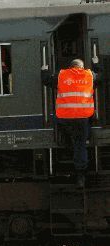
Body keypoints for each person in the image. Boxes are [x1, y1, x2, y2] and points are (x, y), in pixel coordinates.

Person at [42, 58, 100, 187]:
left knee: (57, 121)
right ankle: (80, 176)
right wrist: (96, 64)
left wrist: (44, 70)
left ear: (71, 67)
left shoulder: (62, 75)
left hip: (65, 118)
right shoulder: (89, 75)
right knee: (80, 145)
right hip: (83, 118)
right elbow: (100, 78)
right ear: (82, 67)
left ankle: (67, 141)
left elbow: (46, 81)